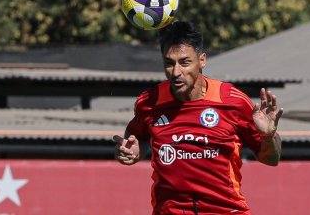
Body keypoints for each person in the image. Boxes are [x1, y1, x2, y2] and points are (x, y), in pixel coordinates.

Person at [113, 21, 283, 215]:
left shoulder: (232, 101)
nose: (176, 72)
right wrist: (132, 152)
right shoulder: (149, 103)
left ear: (202, 60)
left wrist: (268, 136)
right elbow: (137, 139)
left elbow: (271, 159)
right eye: (169, 63)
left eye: (185, 62)